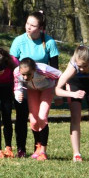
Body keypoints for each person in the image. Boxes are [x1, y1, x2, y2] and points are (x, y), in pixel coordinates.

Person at [9, 11, 59, 157]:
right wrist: (17, 90)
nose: (28, 27)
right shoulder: (18, 41)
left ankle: (42, 149)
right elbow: (13, 68)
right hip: (27, 86)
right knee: (31, 117)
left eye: (33, 25)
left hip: (46, 85)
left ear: (41, 28)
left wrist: (58, 93)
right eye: (27, 24)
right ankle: (30, 147)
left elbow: (56, 70)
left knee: (42, 116)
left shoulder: (49, 42)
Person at [55, 46, 89, 162]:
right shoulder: (72, 67)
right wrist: (73, 94)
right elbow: (57, 89)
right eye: (79, 66)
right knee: (76, 117)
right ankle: (76, 154)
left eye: (85, 66)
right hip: (75, 84)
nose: (81, 69)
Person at [13, 58, 61, 160]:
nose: (25, 77)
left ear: (34, 70)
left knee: (42, 117)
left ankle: (43, 151)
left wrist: (58, 95)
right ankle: (38, 147)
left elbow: (60, 75)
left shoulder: (43, 70)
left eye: (28, 74)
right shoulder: (16, 72)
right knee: (34, 121)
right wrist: (18, 93)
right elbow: (17, 85)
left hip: (47, 88)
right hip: (32, 90)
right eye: (23, 75)